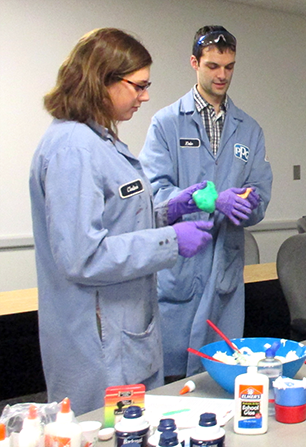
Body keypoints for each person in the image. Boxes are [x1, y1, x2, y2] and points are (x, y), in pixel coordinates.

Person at [29, 28, 213, 415]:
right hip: (98, 346)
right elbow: (84, 256)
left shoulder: (101, 143)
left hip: (124, 335)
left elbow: (116, 220)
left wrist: (168, 211)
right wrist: (170, 241)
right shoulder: (72, 149)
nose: (145, 97)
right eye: (139, 86)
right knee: (108, 434)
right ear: (102, 81)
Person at [139, 25, 273, 378]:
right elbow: (153, 194)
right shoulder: (166, 124)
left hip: (224, 270)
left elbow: (260, 190)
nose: (222, 75)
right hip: (180, 267)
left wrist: (248, 203)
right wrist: (211, 201)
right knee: (171, 381)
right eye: (213, 66)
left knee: (219, 376)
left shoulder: (249, 129)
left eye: (229, 67)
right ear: (194, 63)